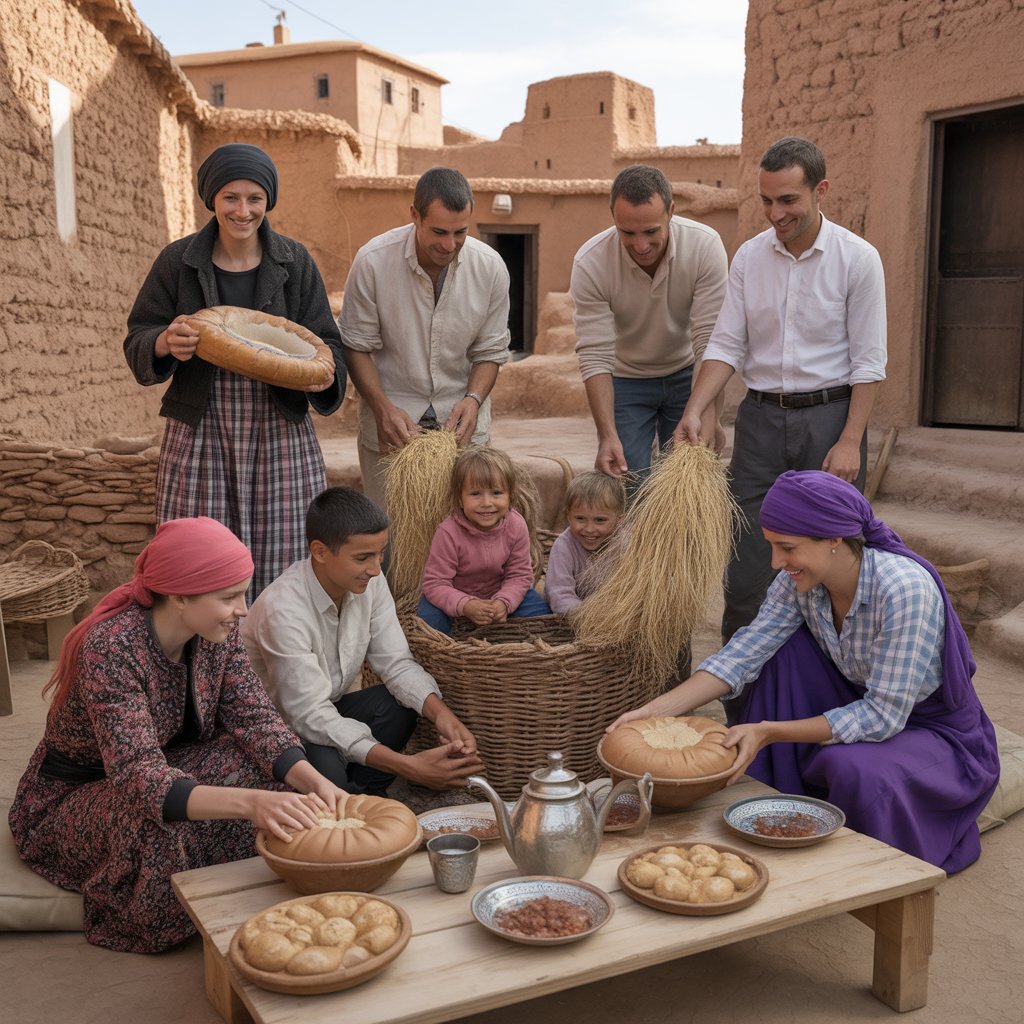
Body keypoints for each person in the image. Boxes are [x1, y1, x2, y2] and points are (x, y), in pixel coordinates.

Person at [607, 471, 1000, 875]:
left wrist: (769, 730)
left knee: (854, 769)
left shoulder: (903, 589)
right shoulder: (798, 582)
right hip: (859, 700)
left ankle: (877, 864)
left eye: (787, 548)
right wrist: (655, 711)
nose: (777, 562)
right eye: (772, 547)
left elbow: (884, 716)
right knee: (782, 651)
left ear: (833, 539)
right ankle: (783, 798)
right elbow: (743, 653)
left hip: (931, 731)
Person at [8, 518, 344, 954]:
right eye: (229, 597)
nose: (243, 608)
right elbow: (138, 778)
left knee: (269, 776)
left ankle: (220, 875)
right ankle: (160, 912)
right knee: (156, 821)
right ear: (180, 595)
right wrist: (251, 804)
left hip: (164, 766)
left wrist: (312, 778)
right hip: (75, 797)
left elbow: (256, 718)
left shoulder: (216, 634)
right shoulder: (112, 648)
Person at [675, 137, 888, 644]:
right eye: (766, 200)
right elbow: (726, 342)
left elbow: (869, 362)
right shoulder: (749, 257)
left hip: (829, 422)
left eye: (788, 199)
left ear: (821, 191)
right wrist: (696, 409)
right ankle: (745, 702)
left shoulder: (858, 259)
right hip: (760, 424)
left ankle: (829, 687)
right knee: (748, 565)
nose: (775, 212)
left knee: (833, 559)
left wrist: (851, 439)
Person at [124, 143, 346, 599]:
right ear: (212, 198)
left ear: (268, 201)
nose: (243, 211)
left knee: (284, 553)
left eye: (254, 199)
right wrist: (165, 341)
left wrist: (327, 378)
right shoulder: (178, 261)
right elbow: (138, 335)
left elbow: (328, 342)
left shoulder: (294, 262)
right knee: (200, 557)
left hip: (279, 424)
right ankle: (202, 665)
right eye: (231, 197)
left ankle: (272, 660)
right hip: (203, 425)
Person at [242, 486, 484, 794]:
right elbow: (307, 715)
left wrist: (443, 716)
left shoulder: (370, 581)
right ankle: (352, 796)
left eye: (380, 554)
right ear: (319, 551)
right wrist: (409, 766)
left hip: (326, 709)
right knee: (327, 778)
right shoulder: (283, 610)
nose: (375, 568)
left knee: (401, 705)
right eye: (362, 557)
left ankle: (367, 795)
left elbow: (396, 663)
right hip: (281, 728)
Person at [338, 167, 511, 512]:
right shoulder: (372, 262)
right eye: (439, 232)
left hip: (461, 429)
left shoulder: (490, 268)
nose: (449, 245)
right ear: (414, 215)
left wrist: (473, 400)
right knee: (389, 542)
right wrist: (383, 408)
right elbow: (355, 345)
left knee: (463, 540)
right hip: (391, 428)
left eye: (460, 232)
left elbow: (490, 351)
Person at [570, 165, 728, 486]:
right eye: (627, 233)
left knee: (687, 481)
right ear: (612, 215)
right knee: (629, 481)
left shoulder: (705, 246)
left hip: (688, 375)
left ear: (671, 211)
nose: (640, 245)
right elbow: (595, 355)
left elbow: (710, 342)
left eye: (651, 231)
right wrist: (607, 435)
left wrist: (706, 413)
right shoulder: (590, 262)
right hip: (626, 379)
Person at [418, 446, 551, 634]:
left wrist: (504, 602)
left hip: (498, 593)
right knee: (428, 620)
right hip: (455, 595)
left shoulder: (515, 525)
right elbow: (435, 584)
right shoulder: (448, 532)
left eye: (496, 493)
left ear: (510, 495)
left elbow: (519, 575)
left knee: (541, 614)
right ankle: (449, 655)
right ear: (459, 499)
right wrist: (466, 605)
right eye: (475, 494)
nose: (487, 503)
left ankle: (519, 651)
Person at [544, 471, 626, 615]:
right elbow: (559, 595)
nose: (589, 529)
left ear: (620, 521)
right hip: (579, 617)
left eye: (600, 520)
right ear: (568, 517)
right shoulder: (564, 547)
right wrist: (589, 615)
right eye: (580, 519)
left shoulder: (627, 544)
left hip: (619, 614)